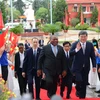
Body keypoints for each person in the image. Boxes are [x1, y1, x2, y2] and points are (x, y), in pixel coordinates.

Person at [70, 30, 96, 99]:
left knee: (84, 83)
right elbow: (70, 54)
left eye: (84, 37)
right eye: (82, 37)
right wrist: (76, 50)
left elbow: (92, 56)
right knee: (79, 81)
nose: (83, 38)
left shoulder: (90, 44)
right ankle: (78, 89)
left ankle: (82, 97)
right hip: (77, 67)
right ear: (79, 37)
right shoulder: (75, 44)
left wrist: (94, 66)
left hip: (86, 67)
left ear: (87, 37)